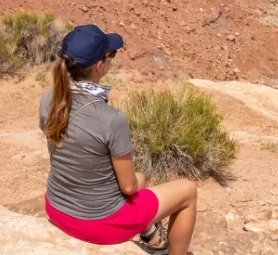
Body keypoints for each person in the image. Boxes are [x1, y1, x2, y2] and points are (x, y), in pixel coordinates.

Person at [39, 24, 197, 255]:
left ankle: (149, 233)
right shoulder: (111, 119)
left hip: (57, 208)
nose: (112, 59)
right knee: (187, 190)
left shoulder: (50, 99)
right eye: (111, 54)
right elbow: (128, 187)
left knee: (141, 179)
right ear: (99, 65)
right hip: (99, 224)